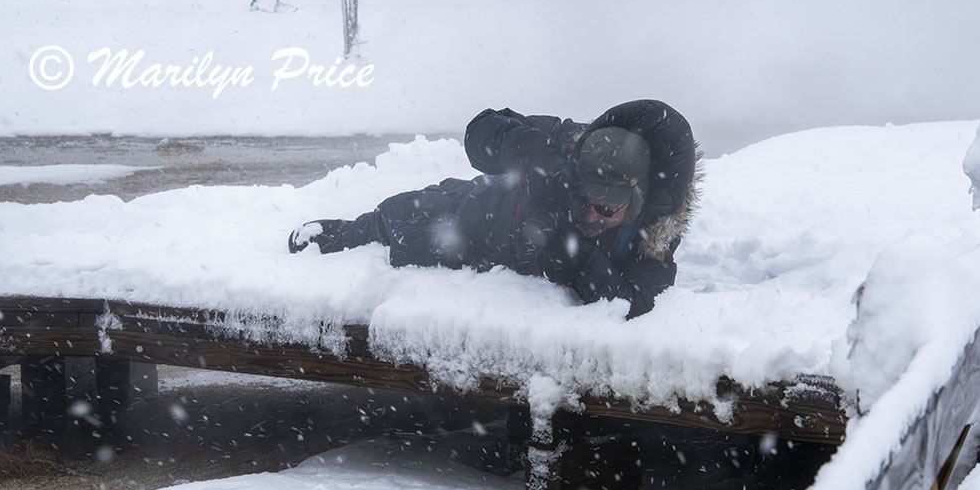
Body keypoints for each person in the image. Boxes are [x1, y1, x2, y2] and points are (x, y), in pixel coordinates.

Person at [288, 100, 700, 319]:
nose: (592, 217)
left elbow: (636, 302)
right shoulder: (566, 143)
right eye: (585, 202)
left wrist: (580, 256)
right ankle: (343, 234)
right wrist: (533, 152)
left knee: (412, 246)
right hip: (480, 208)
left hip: (494, 256)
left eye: (606, 210)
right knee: (397, 218)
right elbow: (481, 129)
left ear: (638, 201)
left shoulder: (655, 234)